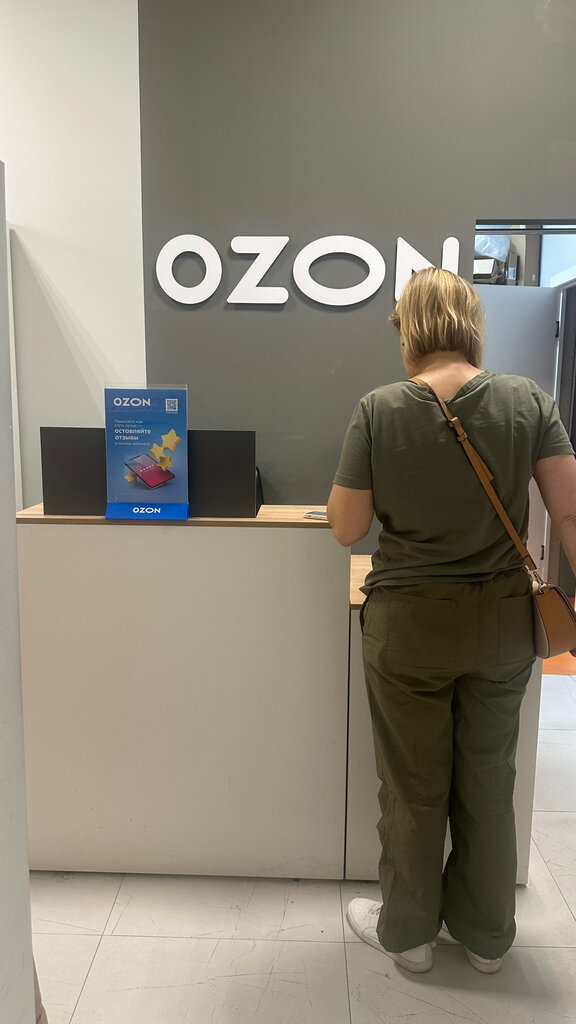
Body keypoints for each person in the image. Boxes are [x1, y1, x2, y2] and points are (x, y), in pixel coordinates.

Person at [327, 267, 576, 975]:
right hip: (500, 625)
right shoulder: (528, 401)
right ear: (472, 323)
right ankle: (487, 937)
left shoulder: (379, 409)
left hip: (408, 628)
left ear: (409, 328)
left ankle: (409, 936)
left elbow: (346, 527)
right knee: (489, 780)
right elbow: (569, 512)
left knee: (412, 785)